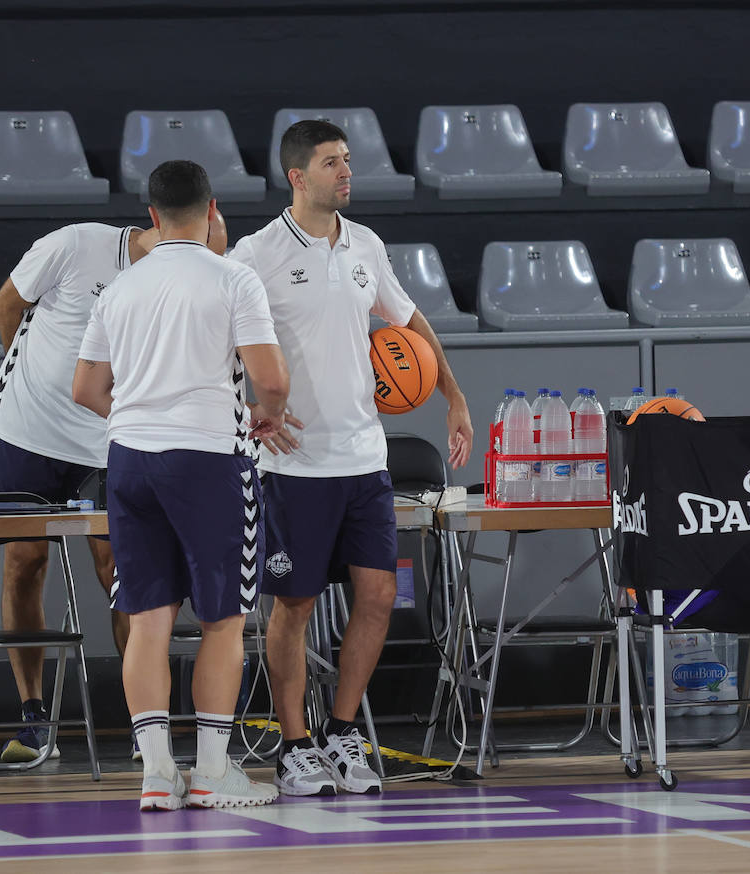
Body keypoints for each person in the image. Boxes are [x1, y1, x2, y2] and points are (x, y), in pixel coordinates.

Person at [230, 120, 473, 797]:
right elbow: (214, 341)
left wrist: (452, 395)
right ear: (297, 177)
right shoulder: (255, 254)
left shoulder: (365, 243)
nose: (347, 173)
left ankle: (339, 733)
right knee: (295, 605)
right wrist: (243, 411)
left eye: (348, 161)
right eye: (332, 163)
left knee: (378, 595)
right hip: (294, 468)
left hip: (366, 462)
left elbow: (408, 323)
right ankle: (294, 745)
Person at [73, 159, 289, 811]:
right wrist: (266, 412)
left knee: (147, 619)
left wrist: (141, 417)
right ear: (213, 210)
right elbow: (271, 379)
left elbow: (85, 389)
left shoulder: (120, 288)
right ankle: (212, 772)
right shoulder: (233, 277)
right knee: (224, 621)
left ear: (151, 216)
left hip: (130, 460)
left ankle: (156, 775)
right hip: (207, 458)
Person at [0, 211, 228, 763]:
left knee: (122, 568)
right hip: (30, 431)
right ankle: (34, 720)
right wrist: (29, 384)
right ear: (169, 223)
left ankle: (148, 727)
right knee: (25, 562)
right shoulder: (74, 243)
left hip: (111, 438)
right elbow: (6, 303)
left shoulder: (196, 280)